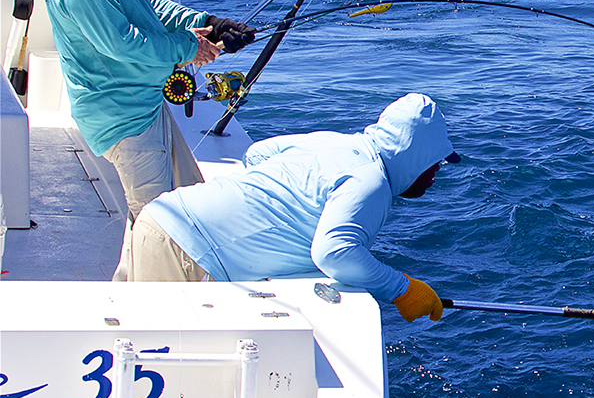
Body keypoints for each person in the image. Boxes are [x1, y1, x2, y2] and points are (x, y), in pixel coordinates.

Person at [42, 0, 255, 275]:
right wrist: (190, 47)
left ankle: (128, 293)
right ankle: (144, 309)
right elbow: (121, 43)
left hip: (145, 103)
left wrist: (208, 22)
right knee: (156, 223)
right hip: (120, 114)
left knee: (186, 203)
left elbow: (151, 7)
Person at [124, 93, 460, 322]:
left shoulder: (335, 142)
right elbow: (334, 253)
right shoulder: (371, 181)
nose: (435, 174)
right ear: (416, 157)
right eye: (436, 163)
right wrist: (403, 290)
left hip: (160, 217)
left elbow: (255, 155)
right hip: (185, 254)